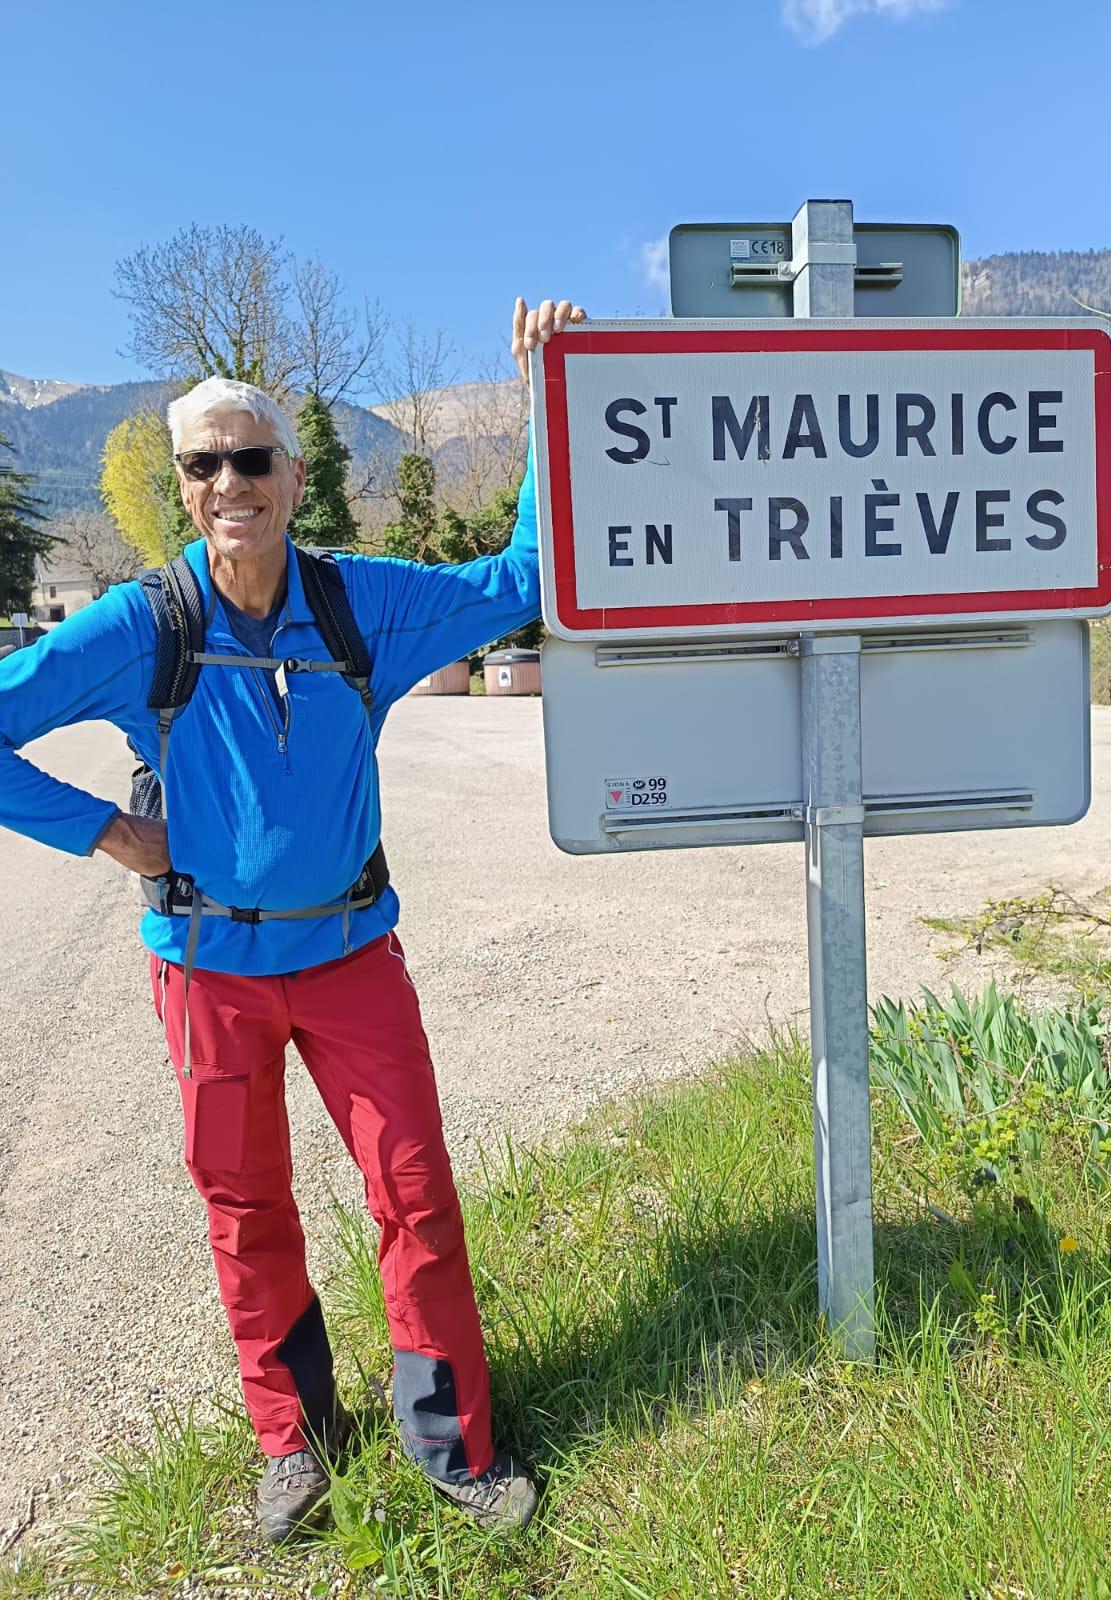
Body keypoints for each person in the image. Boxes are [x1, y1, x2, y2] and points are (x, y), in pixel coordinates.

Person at [0, 296, 584, 1540]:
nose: (228, 483)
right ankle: (296, 1440)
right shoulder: (139, 624)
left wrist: (544, 393)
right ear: (182, 483)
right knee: (244, 1202)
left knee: (414, 1188)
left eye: (250, 458)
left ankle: (453, 1443)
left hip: (353, 957)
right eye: (203, 464)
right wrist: (102, 830)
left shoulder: (355, 602)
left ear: (294, 474)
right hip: (206, 970)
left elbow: (522, 580)